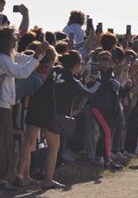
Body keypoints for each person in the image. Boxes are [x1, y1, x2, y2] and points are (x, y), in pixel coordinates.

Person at [16, 50, 100, 189]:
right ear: (76, 64)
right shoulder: (72, 80)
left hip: (36, 107)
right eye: (81, 62)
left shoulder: (55, 70)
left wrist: (80, 76)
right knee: (53, 147)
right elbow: (88, 92)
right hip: (52, 114)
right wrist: (97, 81)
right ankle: (48, 180)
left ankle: (20, 174)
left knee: (29, 142)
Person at [0, 26, 48, 188]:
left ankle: (4, 178)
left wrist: (39, 54)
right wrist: (36, 55)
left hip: (5, 105)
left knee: (6, 143)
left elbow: (25, 61)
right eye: (14, 37)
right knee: (3, 144)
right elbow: (22, 73)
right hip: (1, 106)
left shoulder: (8, 56)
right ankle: (2, 179)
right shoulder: (3, 59)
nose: (17, 39)